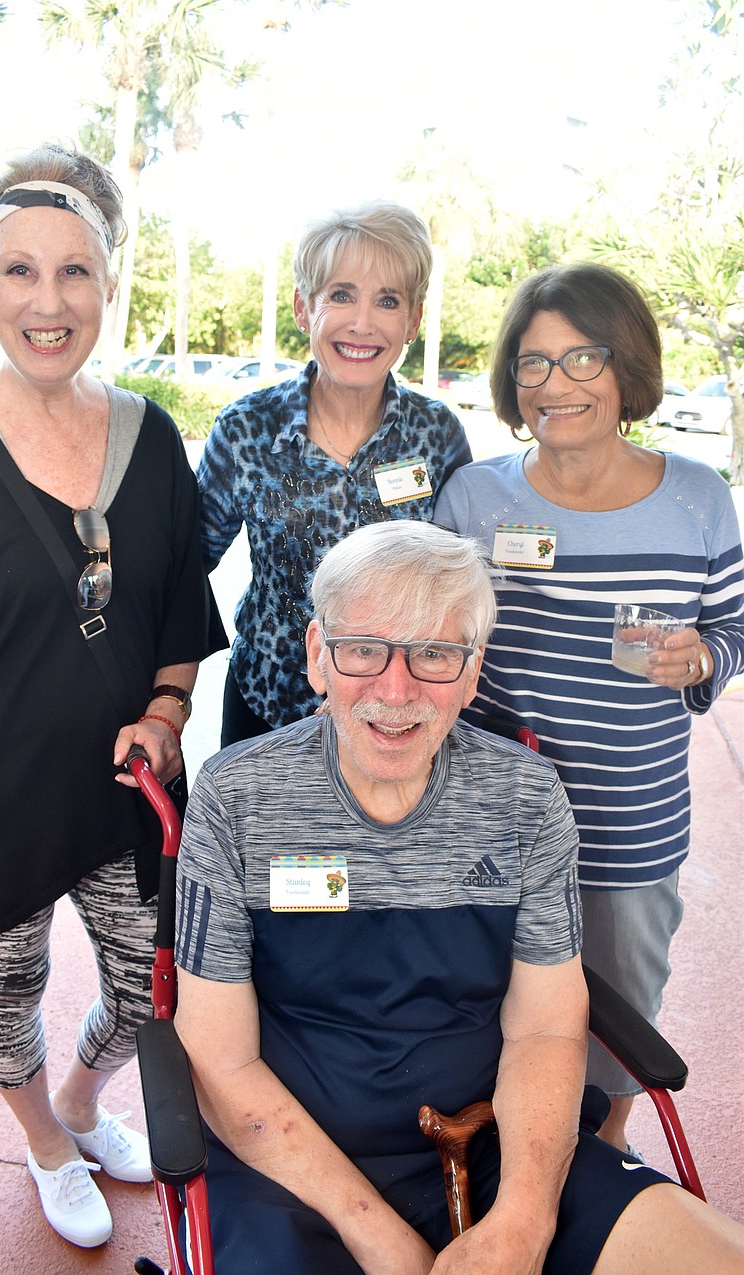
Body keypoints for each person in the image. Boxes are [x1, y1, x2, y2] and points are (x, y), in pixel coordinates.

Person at [173, 520, 744, 1275]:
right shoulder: (237, 797)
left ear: (473, 673)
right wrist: (384, 1240)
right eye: (363, 649)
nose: (396, 690)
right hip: (291, 1169)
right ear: (317, 656)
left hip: (504, 1143)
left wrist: (524, 1221)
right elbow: (220, 1061)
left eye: (436, 655)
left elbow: (545, 1029)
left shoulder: (526, 797)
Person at [0, 143, 227, 1249]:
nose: (49, 302)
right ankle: (43, 1141)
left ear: (110, 281)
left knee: (149, 988)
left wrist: (167, 716)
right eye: (20, 271)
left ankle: (82, 1103)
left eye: (75, 270)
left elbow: (179, 614)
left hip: (125, 796)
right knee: (7, 995)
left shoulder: (152, 437)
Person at [433, 262, 744, 1152]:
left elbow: (733, 626)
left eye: (583, 358)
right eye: (533, 362)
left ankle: (606, 1143)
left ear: (626, 365)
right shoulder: (477, 497)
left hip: (631, 814)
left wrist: (703, 657)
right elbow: (437, 633)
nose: (555, 384)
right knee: (486, 988)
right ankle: (491, 1140)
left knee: (622, 996)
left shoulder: (697, 496)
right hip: (493, 810)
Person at [197, 199, 472, 746]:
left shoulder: (437, 435)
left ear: (413, 320)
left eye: (387, 300)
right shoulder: (247, 429)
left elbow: (458, 584)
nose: (362, 323)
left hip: (396, 714)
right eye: (341, 295)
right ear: (304, 308)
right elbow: (184, 565)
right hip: (268, 707)